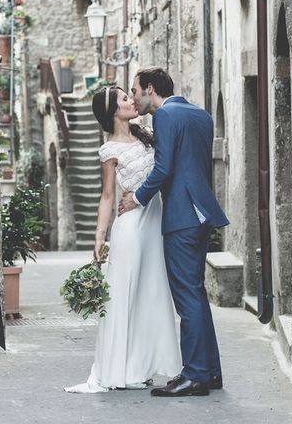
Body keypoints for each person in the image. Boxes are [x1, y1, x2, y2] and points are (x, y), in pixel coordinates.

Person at [119, 67, 230, 397]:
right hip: (201, 214)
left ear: (150, 89)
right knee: (196, 294)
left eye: (135, 90)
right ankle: (209, 372)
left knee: (187, 297)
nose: (134, 97)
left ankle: (195, 374)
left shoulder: (164, 116)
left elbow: (164, 167)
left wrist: (137, 199)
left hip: (182, 217)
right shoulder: (201, 114)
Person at [64, 86, 181, 393]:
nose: (132, 101)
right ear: (114, 111)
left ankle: (141, 367)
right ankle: (118, 369)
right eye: (125, 99)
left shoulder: (147, 135)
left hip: (153, 226)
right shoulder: (109, 150)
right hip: (129, 228)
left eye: (131, 96)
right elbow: (107, 197)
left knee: (150, 294)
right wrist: (99, 238)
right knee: (123, 296)